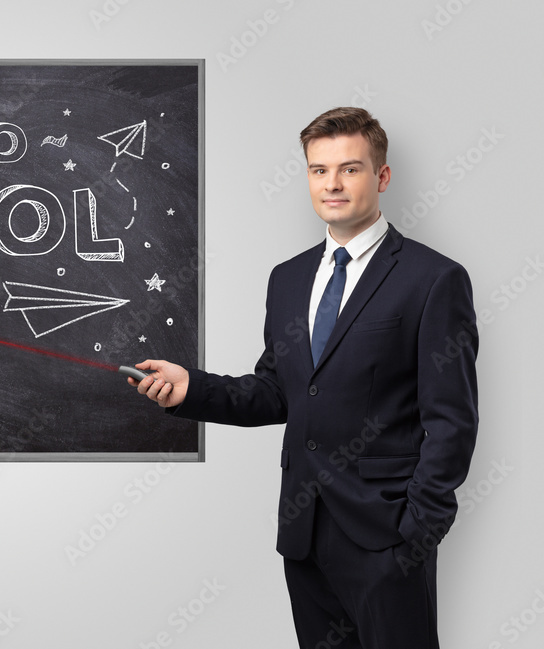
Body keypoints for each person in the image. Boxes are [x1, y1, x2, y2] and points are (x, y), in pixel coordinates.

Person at [130, 107, 478, 649]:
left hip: (386, 538)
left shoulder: (433, 279)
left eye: (349, 169)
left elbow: (453, 422)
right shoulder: (288, 278)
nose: (332, 184)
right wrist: (190, 388)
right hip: (304, 534)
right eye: (318, 170)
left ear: (381, 177)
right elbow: (277, 392)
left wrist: (416, 533)